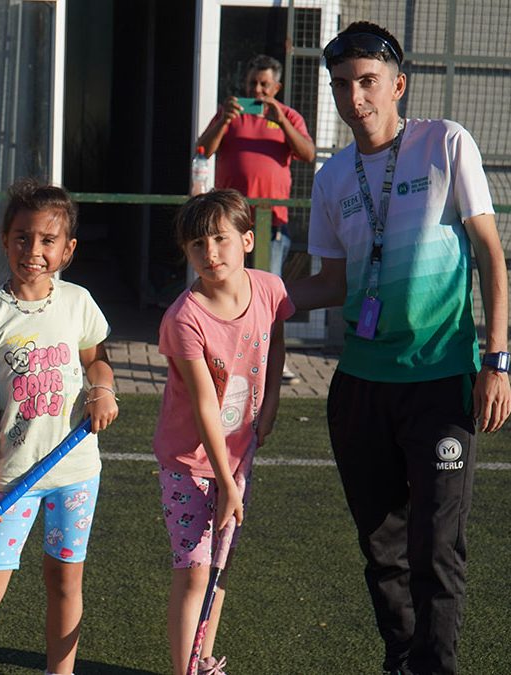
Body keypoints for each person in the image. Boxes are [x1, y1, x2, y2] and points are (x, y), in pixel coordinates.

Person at [289, 22, 510, 675]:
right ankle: (402, 658)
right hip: (358, 386)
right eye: (340, 85)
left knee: (436, 542)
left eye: (367, 82)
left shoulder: (445, 143)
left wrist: (497, 361)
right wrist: (248, 296)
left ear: (397, 84)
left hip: (441, 380)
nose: (354, 97)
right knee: (381, 545)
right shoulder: (331, 177)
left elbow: (491, 259)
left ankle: (434, 666)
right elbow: (330, 283)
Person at [0, 178, 118, 675]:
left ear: (68, 248)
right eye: (21, 237)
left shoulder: (78, 302)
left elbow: (97, 363)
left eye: (47, 240)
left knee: (65, 583)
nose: (32, 250)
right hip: (11, 482)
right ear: (4, 240)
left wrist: (102, 390)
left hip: (75, 472)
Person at [154, 189, 293, 675]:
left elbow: (276, 339)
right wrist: (227, 482)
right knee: (195, 573)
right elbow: (205, 407)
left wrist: (271, 399)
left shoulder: (270, 289)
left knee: (220, 567)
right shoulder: (185, 318)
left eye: (220, 239)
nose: (209, 253)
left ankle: (204, 660)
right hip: (190, 463)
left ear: (248, 240)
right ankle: (184, 670)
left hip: (240, 454)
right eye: (197, 244)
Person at [197, 54, 314, 384]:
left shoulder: (288, 115)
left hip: (270, 222)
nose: (258, 91)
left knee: (268, 295)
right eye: (252, 84)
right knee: (225, 289)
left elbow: (307, 153)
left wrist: (281, 119)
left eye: (264, 85)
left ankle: (272, 359)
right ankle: (221, 356)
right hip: (229, 224)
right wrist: (223, 120)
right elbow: (203, 150)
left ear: (276, 87)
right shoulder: (230, 114)